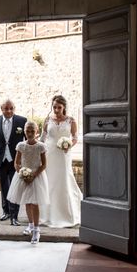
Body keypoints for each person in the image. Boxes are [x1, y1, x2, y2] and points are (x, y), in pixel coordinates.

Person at [0, 99, 27, 226]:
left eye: (11, 108)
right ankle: (6, 211)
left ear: (14, 108)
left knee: (15, 187)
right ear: (1, 109)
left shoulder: (22, 121)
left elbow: (28, 140)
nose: (9, 111)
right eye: (6, 108)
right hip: (0, 159)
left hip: (16, 160)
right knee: (4, 187)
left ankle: (14, 216)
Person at [40, 95, 82, 228]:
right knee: (49, 181)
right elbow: (42, 137)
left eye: (59, 107)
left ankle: (67, 213)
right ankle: (48, 214)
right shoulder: (47, 120)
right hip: (49, 153)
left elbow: (75, 137)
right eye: (54, 107)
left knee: (64, 180)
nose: (56, 110)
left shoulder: (71, 121)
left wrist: (69, 144)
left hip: (63, 154)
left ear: (64, 107)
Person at [6, 121, 49, 244]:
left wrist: (33, 175)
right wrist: (22, 173)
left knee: (34, 203)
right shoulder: (21, 145)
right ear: (24, 131)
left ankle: (36, 230)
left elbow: (44, 164)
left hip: (37, 177)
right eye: (27, 131)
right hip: (23, 177)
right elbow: (17, 163)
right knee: (27, 202)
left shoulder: (41, 146)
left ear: (37, 132)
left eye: (32, 131)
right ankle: (30, 225)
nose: (29, 133)